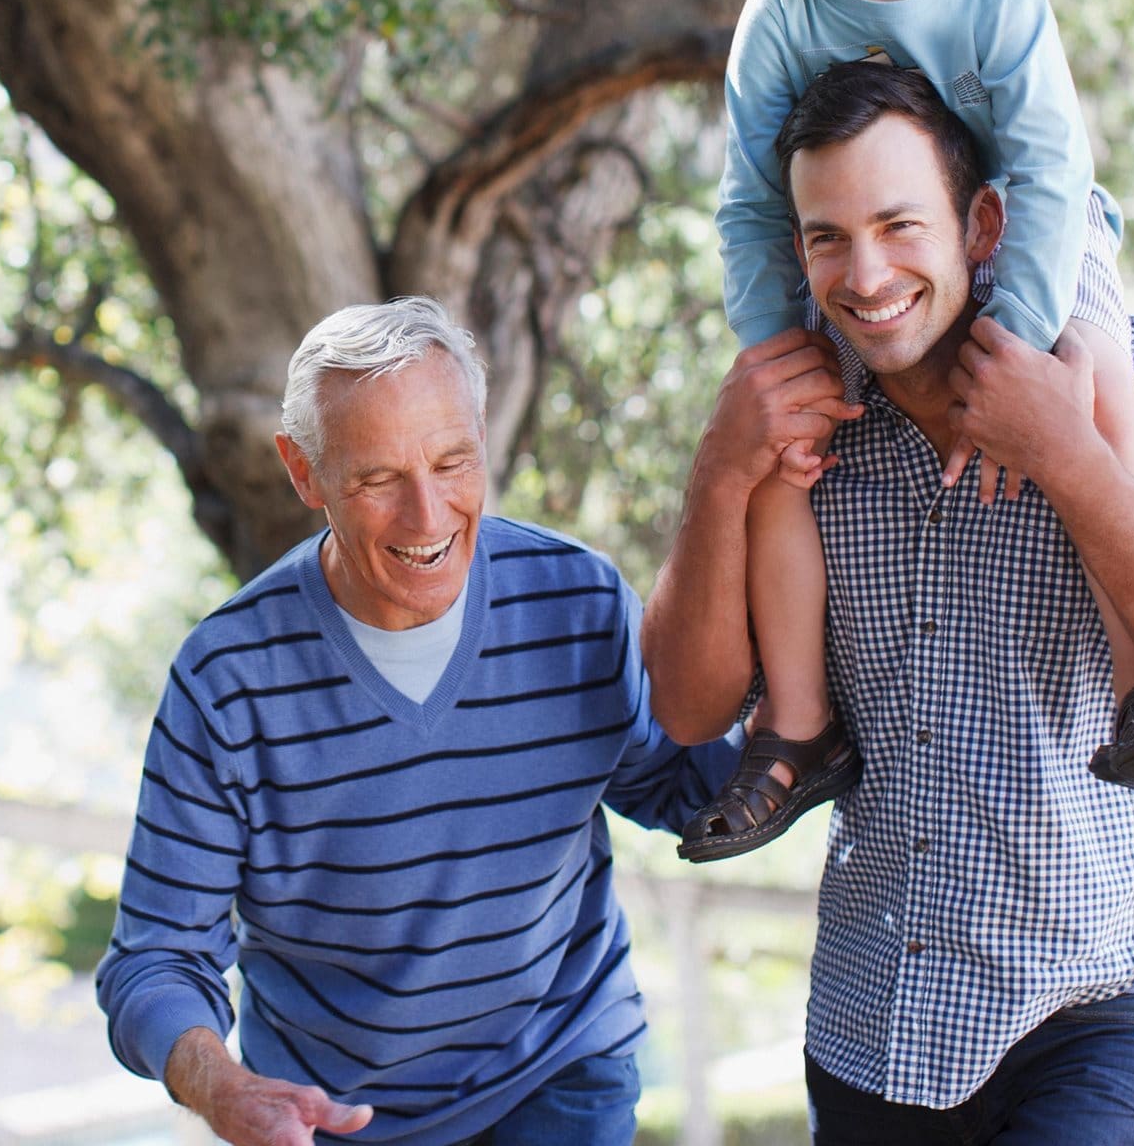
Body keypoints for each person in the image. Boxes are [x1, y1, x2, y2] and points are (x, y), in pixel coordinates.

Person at [643, 61, 1134, 1141]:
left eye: (899, 223)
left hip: (1098, 1005)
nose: (866, 272)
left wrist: (1067, 457)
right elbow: (690, 709)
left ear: (982, 223)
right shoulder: (792, 425)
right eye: (827, 235)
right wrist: (720, 466)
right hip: (871, 1020)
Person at [674, 0, 1134, 860]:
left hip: (1035, 240)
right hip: (873, 249)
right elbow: (753, 201)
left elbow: (1049, 174)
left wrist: (1019, 340)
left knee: (1099, 386)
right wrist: (771, 352)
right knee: (782, 448)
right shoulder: (781, 19)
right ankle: (797, 725)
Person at [96, 297, 743, 1146]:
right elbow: (156, 955)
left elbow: (675, 788)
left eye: (452, 463)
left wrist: (788, 693)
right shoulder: (228, 682)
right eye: (376, 480)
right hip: (330, 1112)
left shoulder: (576, 599)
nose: (429, 517)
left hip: (558, 1067)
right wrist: (221, 1088)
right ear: (303, 470)